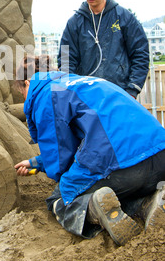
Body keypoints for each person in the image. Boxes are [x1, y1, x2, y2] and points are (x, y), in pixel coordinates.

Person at [14, 55, 165, 246]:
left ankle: (95, 206)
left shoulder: (45, 95)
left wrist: (56, 173)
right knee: (117, 185)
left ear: (27, 83)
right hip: (159, 155)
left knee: (61, 197)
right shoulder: (81, 82)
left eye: (22, 93)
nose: (25, 99)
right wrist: (36, 163)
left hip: (123, 163)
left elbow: (61, 160)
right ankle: (149, 204)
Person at [58, 0, 149, 98]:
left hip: (119, 93)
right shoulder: (75, 23)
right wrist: (70, 89)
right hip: (86, 94)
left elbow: (140, 53)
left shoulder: (124, 18)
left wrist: (132, 89)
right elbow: (66, 58)